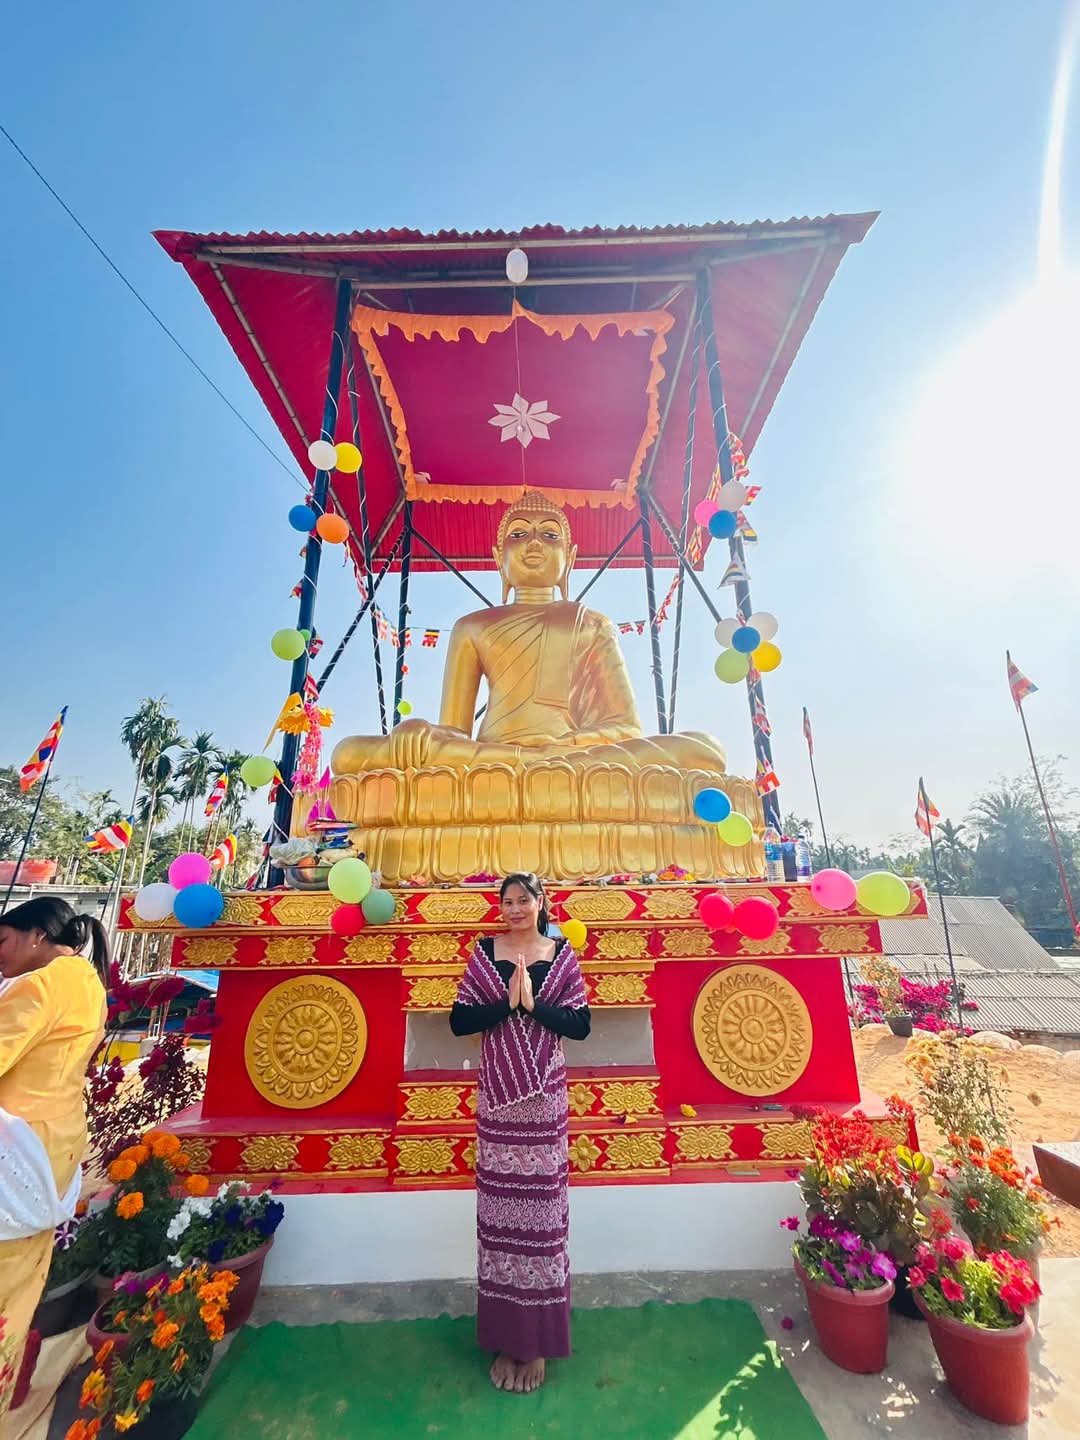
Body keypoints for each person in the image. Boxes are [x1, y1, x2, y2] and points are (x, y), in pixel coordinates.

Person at [450, 872, 591, 1394]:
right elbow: (460, 1022)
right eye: (506, 901)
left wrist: (533, 1006)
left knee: (542, 1220)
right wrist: (506, 1006)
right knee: (501, 1219)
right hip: (499, 1104)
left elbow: (579, 1026)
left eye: (522, 900)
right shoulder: (484, 953)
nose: (513, 909)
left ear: (540, 903)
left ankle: (536, 1344)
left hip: (544, 1101)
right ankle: (508, 1334)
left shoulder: (561, 955)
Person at [0, 898, 108, 1417]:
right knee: (21, 1281)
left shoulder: (38, 986)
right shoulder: (87, 982)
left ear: (38, 935)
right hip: (55, 1146)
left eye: (3, 941)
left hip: (15, 1147)